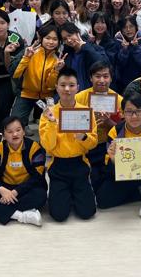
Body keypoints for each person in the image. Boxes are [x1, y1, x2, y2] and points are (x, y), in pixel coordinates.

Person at [39, 67, 98, 222]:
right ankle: (64, 193)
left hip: (80, 164)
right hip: (58, 166)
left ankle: (75, 192)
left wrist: (84, 137)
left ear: (78, 87)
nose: (67, 89)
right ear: (57, 87)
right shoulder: (48, 113)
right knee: (59, 215)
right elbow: (48, 146)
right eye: (63, 85)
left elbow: (93, 143)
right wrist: (52, 123)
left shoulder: (86, 112)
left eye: (71, 85)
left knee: (88, 212)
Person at [0, 116, 46, 227]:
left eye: (18, 130)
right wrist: (2, 190)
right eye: (10, 132)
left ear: (23, 132)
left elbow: (37, 177)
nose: (15, 134)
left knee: (41, 195)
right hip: (4, 188)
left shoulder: (34, 148)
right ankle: (21, 216)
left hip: (25, 189)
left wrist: (15, 192)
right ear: (4, 135)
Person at [75, 62, 123, 191]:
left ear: (111, 78)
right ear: (91, 78)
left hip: (108, 147)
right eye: (97, 76)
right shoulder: (79, 98)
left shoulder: (119, 101)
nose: (102, 80)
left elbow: (124, 132)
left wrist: (108, 122)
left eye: (106, 76)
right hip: (84, 147)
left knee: (105, 184)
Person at [11, 24, 66, 127]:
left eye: (55, 39)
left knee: (51, 123)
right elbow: (15, 74)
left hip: (47, 97)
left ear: (59, 41)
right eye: (47, 38)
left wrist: (56, 70)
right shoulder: (30, 51)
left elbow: (51, 86)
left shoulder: (58, 59)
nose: (51, 42)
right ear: (41, 39)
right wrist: (26, 58)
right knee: (16, 121)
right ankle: (24, 127)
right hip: (26, 94)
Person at [60, 22, 108, 91]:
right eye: (65, 39)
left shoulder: (95, 48)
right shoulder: (67, 54)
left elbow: (103, 64)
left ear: (77, 33)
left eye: (70, 35)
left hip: (91, 92)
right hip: (73, 93)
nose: (69, 40)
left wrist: (85, 47)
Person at [114, 15, 141, 92]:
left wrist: (136, 47)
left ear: (136, 27)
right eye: (125, 27)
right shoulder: (118, 39)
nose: (128, 30)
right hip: (123, 77)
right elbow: (119, 64)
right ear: (121, 30)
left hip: (140, 76)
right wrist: (124, 50)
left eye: (131, 26)